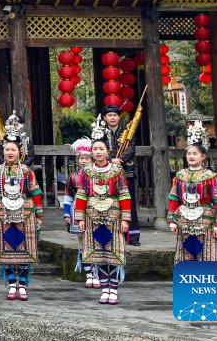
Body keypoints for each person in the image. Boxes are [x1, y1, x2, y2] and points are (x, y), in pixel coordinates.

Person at [73, 119, 131, 305]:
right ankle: (104, 288)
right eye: (95, 149)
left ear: (108, 151)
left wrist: (126, 219)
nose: (98, 152)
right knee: (98, 255)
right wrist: (80, 217)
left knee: (112, 254)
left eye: (101, 149)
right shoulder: (86, 172)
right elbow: (82, 194)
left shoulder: (116, 170)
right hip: (92, 218)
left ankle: (113, 289)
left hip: (114, 217)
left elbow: (124, 194)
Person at [0, 126, 43, 301]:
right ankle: (11, 283)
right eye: (7, 149)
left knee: (25, 248)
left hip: (25, 214)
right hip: (3, 214)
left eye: (13, 149)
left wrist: (39, 214)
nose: (10, 152)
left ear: (20, 152)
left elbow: (36, 192)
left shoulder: (26, 171)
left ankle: (23, 284)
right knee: (7, 248)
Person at [167, 120, 217, 264]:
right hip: (184, 221)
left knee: (206, 255)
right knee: (184, 254)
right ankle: (187, 284)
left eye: (195, 154)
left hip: (206, 221)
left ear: (203, 156)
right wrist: (172, 221)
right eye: (189, 154)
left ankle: (204, 284)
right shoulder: (180, 176)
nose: (191, 156)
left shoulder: (211, 177)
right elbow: (174, 198)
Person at [98, 105, 140, 245]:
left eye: (115, 115)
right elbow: (98, 149)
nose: (112, 118)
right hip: (107, 172)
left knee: (129, 203)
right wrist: (110, 160)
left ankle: (133, 236)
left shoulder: (127, 130)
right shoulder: (100, 132)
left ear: (119, 117)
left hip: (126, 171)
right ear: (105, 118)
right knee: (109, 202)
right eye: (109, 115)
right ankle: (113, 235)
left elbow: (131, 148)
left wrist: (120, 160)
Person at [64, 137, 96, 288]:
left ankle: (97, 272)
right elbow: (68, 196)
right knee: (83, 242)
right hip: (77, 210)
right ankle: (89, 274)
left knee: (96, 241)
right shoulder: (73, 176)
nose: (83, 161)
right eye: (81, 158)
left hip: (96, 210)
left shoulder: (98, 175)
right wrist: (66, 214)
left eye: (86, 158)